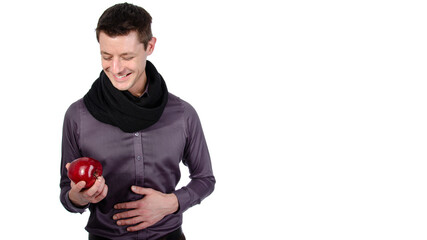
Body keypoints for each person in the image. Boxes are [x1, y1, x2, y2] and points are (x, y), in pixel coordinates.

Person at [59, 3, 215, 240]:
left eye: (127, 56)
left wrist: (172, 202)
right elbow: (67, 195)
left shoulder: (183, 114)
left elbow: (205, 179)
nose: (116, 68)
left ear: (150, 46)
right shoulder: (78, 116)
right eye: (106, 56)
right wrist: (79, 197)